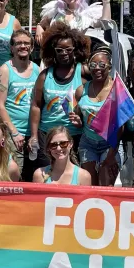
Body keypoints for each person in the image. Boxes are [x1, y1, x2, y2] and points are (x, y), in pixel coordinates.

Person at [29, 23, 88, 167]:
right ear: (52, 51)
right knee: (47, 176)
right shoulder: (44, 76)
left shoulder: (84, 72)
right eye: (59, 50)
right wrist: (34, 135)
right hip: (47, 135)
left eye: (68, 49)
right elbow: (36, 105)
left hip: (74, 135)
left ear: (76, 50)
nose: (64, 53)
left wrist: (82, 119)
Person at [0, 29, 40, 180]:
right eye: (18, 43)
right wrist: (14, 133)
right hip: (13, 133)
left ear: (32, 47)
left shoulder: (37, 70)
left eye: (26, 43)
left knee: (32, 175)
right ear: (12, 47)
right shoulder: (5, 70)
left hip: (33, 134)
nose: (23, 46)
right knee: (13, 175)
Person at [70, 46, 119, 186]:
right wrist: (77, 121)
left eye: (102, 65)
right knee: (89, 185)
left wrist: (111, 155)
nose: (97, 68)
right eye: (93, 65)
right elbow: (79, 119)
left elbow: (120, 126)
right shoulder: (81, 91)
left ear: (109, 67)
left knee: (106, 185)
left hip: (110, 143)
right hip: (88, 142)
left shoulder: (117, 89)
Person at [36, 0, 111, 44]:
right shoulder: (56, 10)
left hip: (75, 56)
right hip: (54, 55)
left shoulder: (86, 14)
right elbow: (42, 24)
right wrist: (39, 27)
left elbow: (106, 23)